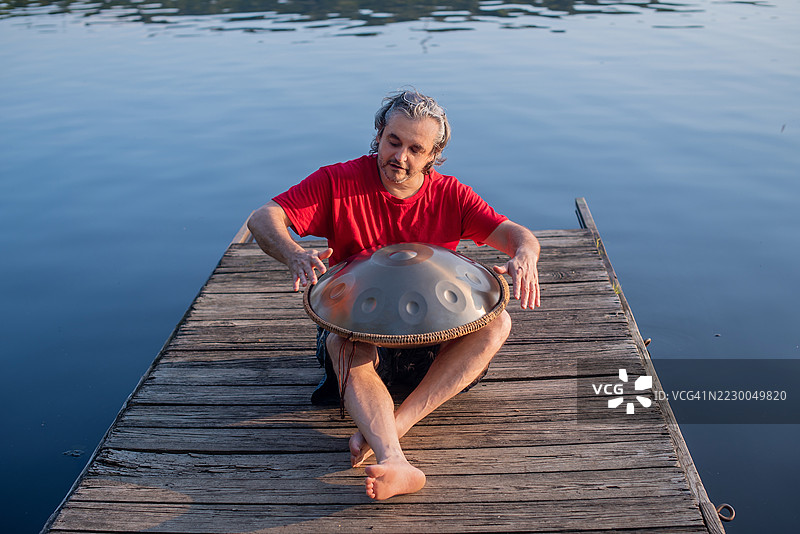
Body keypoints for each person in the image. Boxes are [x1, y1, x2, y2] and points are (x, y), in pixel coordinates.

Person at [247, 89, 540, 501]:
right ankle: (394, 459)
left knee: (498, 323)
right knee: (339, 341)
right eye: (393, 141)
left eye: (415, 148)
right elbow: (264, 217)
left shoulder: (451, 195)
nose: (399, 156)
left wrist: (525, 256)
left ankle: (396, 423)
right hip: (359, 333)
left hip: (431, 343)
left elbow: (517, 235)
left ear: (432, 155)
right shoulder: (339, 182)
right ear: (379, 135)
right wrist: (295, 254)